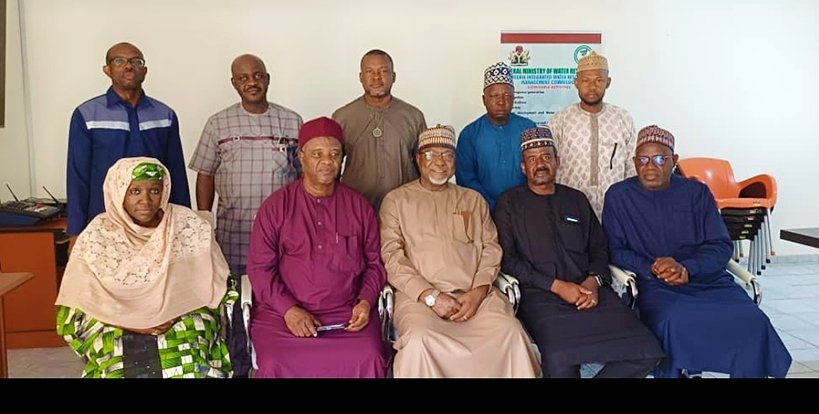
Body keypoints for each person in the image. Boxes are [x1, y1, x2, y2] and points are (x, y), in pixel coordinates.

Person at [602, 125, 792, 378]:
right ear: (634, 162)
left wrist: (688, 268)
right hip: (656, 286)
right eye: (643, 159)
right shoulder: (619, 196)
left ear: (674, 161)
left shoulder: (696, 193)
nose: (650, 166)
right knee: (673, 322)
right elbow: (615, 250)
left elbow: (720, 244)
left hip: (708, 281)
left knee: (752, 321)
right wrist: (652, 267)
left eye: (660, 159)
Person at [493, 126, 665, 378]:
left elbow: (599, 247)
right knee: (561, 360)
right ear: (523, 167)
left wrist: (593, 282)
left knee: (648, 352)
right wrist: (557, 286)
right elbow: (508, 260)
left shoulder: (576, 199)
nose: (540, 164)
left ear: (557, 162)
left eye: (546, 157)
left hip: (590, 292)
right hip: (541, 296)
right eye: (532, 159)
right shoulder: (508, 203)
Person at [380, 125, 540, 378]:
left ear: (455, 162)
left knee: (510, 332)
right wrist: (431, 297)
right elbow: (392, 258)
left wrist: (478, 292)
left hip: (476, 296)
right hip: (419, 300)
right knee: (420, 340)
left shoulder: (473, 199)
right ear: (418, 159)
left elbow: (491, 248)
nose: (440, 163)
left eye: (447, 155)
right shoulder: (396, 201)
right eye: (431, 155)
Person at [55, 157, 235, 378]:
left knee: (188, 361)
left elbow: (212, 282)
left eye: (155, 190)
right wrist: (133, 323)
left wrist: (173, 312)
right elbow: (81, 297)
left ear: (164, 191)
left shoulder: (186, 223)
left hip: (182, 313)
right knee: (117, 365)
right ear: (118, 191)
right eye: (135, 191)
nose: (146, 200)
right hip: (112, 319)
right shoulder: (98, 233)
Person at [246, 117, 390, 378]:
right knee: (275, 363)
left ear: (342, 159)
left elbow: (374, 265)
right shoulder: (277, 207)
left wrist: (366, 303)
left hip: (346, 314)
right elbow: (259, 269)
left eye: (334, 154)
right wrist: (288, 310)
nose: (327, 161)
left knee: (370, 356)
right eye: (317, 154)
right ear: (301, 157)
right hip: (282, 316)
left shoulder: (359, 207)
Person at [188, 54, 303, 377]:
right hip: (234, 232)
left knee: (280, 295)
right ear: (234, 83)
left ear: (267, 78)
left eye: (257, 76)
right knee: (236, 304)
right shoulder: (218, 123)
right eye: (243, 78)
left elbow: (304, 176)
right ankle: (238, 365)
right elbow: (206, 173)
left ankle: (279, 361)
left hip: (284, 235)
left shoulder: (291, 122)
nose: (251, 82)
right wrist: (203, 220)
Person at [67, 42, 190, 236]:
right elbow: (78, 176)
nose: (128, 66)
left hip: (155, 224)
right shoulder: (87, 114)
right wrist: (76, 232)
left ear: (145, 70)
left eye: (136, 61)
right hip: (105, 222)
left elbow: (175, 173)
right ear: (107, 70)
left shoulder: (164, 114)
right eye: (119, 61)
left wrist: (184, 225)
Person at [332, 49, 427, 211]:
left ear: (394, 77)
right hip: (354, 209)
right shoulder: (342, 117)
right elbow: (332, 166)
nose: (376, 78)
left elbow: (425, 164)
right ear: (361, 77)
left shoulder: (413, 116)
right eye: (369, 72)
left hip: (405, 209)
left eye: (383, 71)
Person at [548, 51, 636, 219]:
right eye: (585, 81)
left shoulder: (622, 118)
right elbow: (551, 165)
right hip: (570, 206)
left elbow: (632, 166)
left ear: (608, 82)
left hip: (615, 207)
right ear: (576, 82)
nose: (592, 87)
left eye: (599, 80)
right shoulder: (560, 120)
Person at [455, 62, 536, 210]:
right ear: (484, 99)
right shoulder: (469, 134)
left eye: (507, 96)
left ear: (514, 99)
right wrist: (493, 205)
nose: (501, 102)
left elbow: (537, 168)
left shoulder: (528, 128)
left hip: (525, 207)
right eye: (494, 96)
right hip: (483, 209)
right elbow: (466, 178)